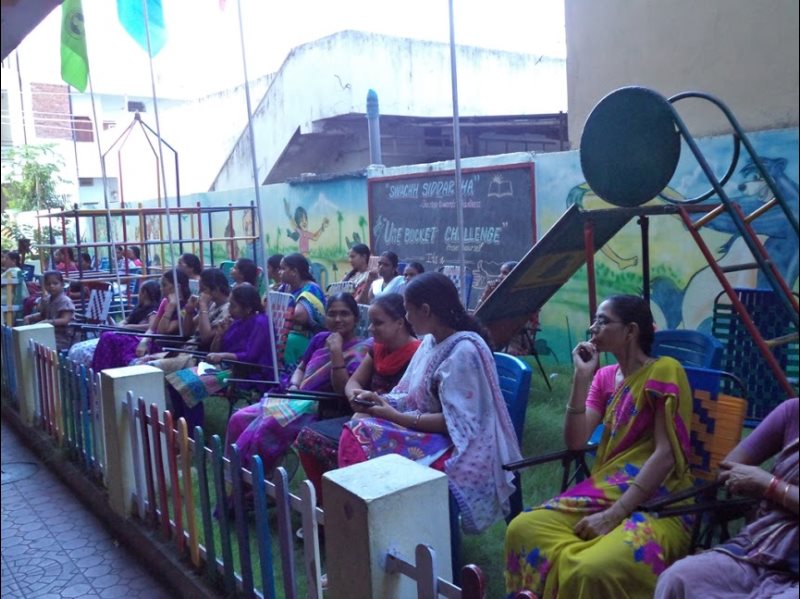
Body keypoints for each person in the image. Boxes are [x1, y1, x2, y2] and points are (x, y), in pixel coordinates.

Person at [504, 294, 695, 598]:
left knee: (589, 568)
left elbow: (666, 455)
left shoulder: (665, 370)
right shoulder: (605, 377)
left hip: (659, 501)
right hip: (608, 489)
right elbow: (576, 441)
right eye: (594, 320)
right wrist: (582, 377)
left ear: (630, 331)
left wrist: (614, 515)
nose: (592, 328)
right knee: (523, 528)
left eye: (603, 321)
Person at [338, 272, 522, 534]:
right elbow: (408, 394)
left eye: (408, 311)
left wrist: (393, 416)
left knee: (358, 434)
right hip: (428, 431)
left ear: (425, 310)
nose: (406, 318)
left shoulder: (464, 352)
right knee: (359, 425)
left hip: (458, 446)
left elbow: (456, 424)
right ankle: (374, 526)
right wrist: (379, 400)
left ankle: (372, 527)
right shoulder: (430, 342)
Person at [654, 397, 799, 599]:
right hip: (762, 549)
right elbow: (727, 469)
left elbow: (768, 485)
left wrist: (770, 486)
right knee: (678, 578)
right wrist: (749, 481)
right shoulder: (793, 412)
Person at [294, 292, 421, 501]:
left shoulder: (417, 354)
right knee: (307, 437)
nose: (370, 328)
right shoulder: (377, 349)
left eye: (377, 323)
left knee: (342, 444)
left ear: (399, 323)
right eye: (370, 322)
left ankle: (353, 501)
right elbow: (353, 382)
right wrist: (354, 396)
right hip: (366, 415)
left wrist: (374, 408)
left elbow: (413, 402)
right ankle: (327, 502)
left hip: (397, 423)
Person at [225, 292, 370, 473]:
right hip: (294, 397)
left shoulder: (361, 350)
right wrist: (294, 386)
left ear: (355, 319)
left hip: (319, 408)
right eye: (332, 314)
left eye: (344, 314)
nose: (338, 319)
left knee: (266, 427)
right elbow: (301, 368)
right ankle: (232, 474)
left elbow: (342, 390)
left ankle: (257, 480)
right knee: (238, 418)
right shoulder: (320, 339)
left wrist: (336, 351)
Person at [166, 284, 274, 434]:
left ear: (248, 308)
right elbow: (215, 351)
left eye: (234, 306)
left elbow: (250, 356)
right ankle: (180, 425)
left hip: (247, 373)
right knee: (175, 382)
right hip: (226, 367)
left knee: (190, 386)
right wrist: (220, 335)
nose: (229, 310)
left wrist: (223, 356)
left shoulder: (261, 323)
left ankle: (193, 433)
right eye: (230, 305)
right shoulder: (237, 321)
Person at [91, 269, 194, 373]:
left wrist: (171, 306)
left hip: (164, 346)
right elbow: (152, 328)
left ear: (177, 287)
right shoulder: (165, 301)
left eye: (164, 285)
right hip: (151, 340)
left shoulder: (185, 307)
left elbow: (163, 330)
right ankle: (100, 375)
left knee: (109, 337)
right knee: (108, 336)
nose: (161, 288)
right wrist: (144, 341)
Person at [135, 268, 230, 373]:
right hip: (185, 350)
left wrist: (203, 307)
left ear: (216, 289)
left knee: (147, 367)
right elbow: (187, 332)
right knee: (140, 362)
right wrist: (189, 312)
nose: (200, 293)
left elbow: (205, 337)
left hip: (198, 356)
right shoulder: (212, 304)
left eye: (203, 290)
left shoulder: (227, 310)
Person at [67, 280, 161, 367]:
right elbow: (126, 320)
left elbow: (151, 327)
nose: (138, 294)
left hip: (134, 338)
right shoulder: (140, 308)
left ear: (144, 293)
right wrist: (121, 324)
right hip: (124, 333)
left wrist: (128, 326)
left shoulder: (153, 310)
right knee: (78, 348)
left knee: (93, 344)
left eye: (140, 291)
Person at [278, 253, 327, 378]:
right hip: (288, 332)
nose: (279, 272)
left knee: (286, 342)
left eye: (283, 268)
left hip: (309, 336)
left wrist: (279, 311)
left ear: (294, 271)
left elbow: (300, 316)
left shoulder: (311, 289)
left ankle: (289, 378)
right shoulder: (285, 287)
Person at [23, 270, 76, 351]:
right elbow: (43, 315)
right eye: (48, 284)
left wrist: (47, 322)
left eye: (55, 283)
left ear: (62, 284)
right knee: (28, 341)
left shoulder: (65, 301)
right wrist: (30, 317)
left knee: (35, 344)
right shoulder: (47, 300)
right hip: (49, 332)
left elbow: (65, 320)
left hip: (62, 336)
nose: (51, 286)